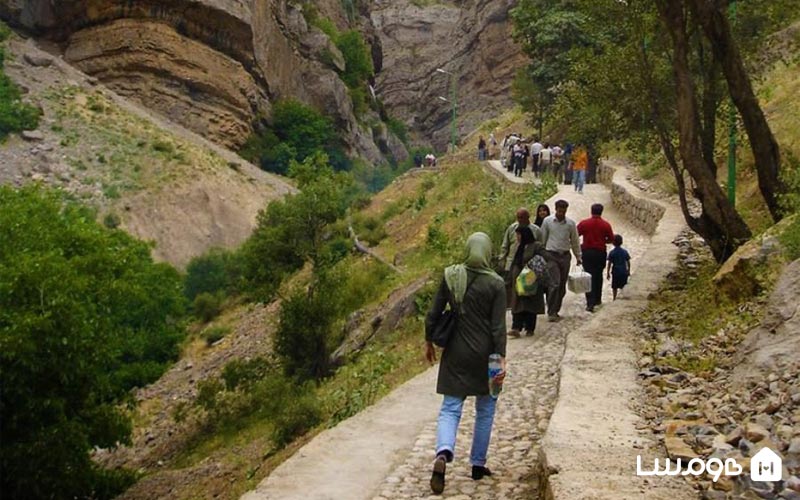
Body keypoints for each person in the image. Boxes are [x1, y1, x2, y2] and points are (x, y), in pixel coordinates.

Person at [424, 232, 507, 494]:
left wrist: (428, 340)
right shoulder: (495, 284)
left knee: (450, 407)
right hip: (486, 355)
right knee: (486, 408)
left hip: (456, 353)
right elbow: (498, 328)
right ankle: (477, 464)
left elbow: (434, 313)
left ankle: (443, 452)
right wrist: (500, 360)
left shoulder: (451, 276)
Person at [541, 199, 582, 322]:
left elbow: (575, 241)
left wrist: (578, 256)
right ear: (555, 209)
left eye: (563, 211)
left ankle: (556, 309)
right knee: (555, 283)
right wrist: (542, 254)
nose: (561, 213)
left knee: (562, 285)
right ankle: (551, 311)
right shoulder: (548, 222)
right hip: (551, 255)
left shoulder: (570, 224)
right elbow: (543, 238)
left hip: (564, 256)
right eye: (559, 211)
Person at [507, 225, 545, 337]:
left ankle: (530, 328)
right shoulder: (518, 247)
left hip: (530, 279)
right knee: (517, 302)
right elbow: (513, 261)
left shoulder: (536, 246)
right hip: (518, 278)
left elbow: (542, 260)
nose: (517, 237)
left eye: (519, 235)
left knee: (530, 303)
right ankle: (516, 327)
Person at [577, 203, 615, 312]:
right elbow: (611, 239)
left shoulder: (584, 223)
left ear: (591, 211)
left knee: (588, 276)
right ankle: (598, 298)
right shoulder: (605, 225)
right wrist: (603, 240)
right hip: (600, 252)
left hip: (587, 252)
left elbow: (576, 234)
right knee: (598, 275)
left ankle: (590, 302)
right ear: (601, 211)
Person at [606, 234, 631, 300]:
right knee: (623, 286)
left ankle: (614, 298)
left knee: (614, 287)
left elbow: (609, 264)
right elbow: (628, 262)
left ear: (613, 243)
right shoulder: (625, 252)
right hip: (623, 272)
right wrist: (628, 270)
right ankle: (623, 297)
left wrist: (608, 273)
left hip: (615, 272)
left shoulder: (612, 252)